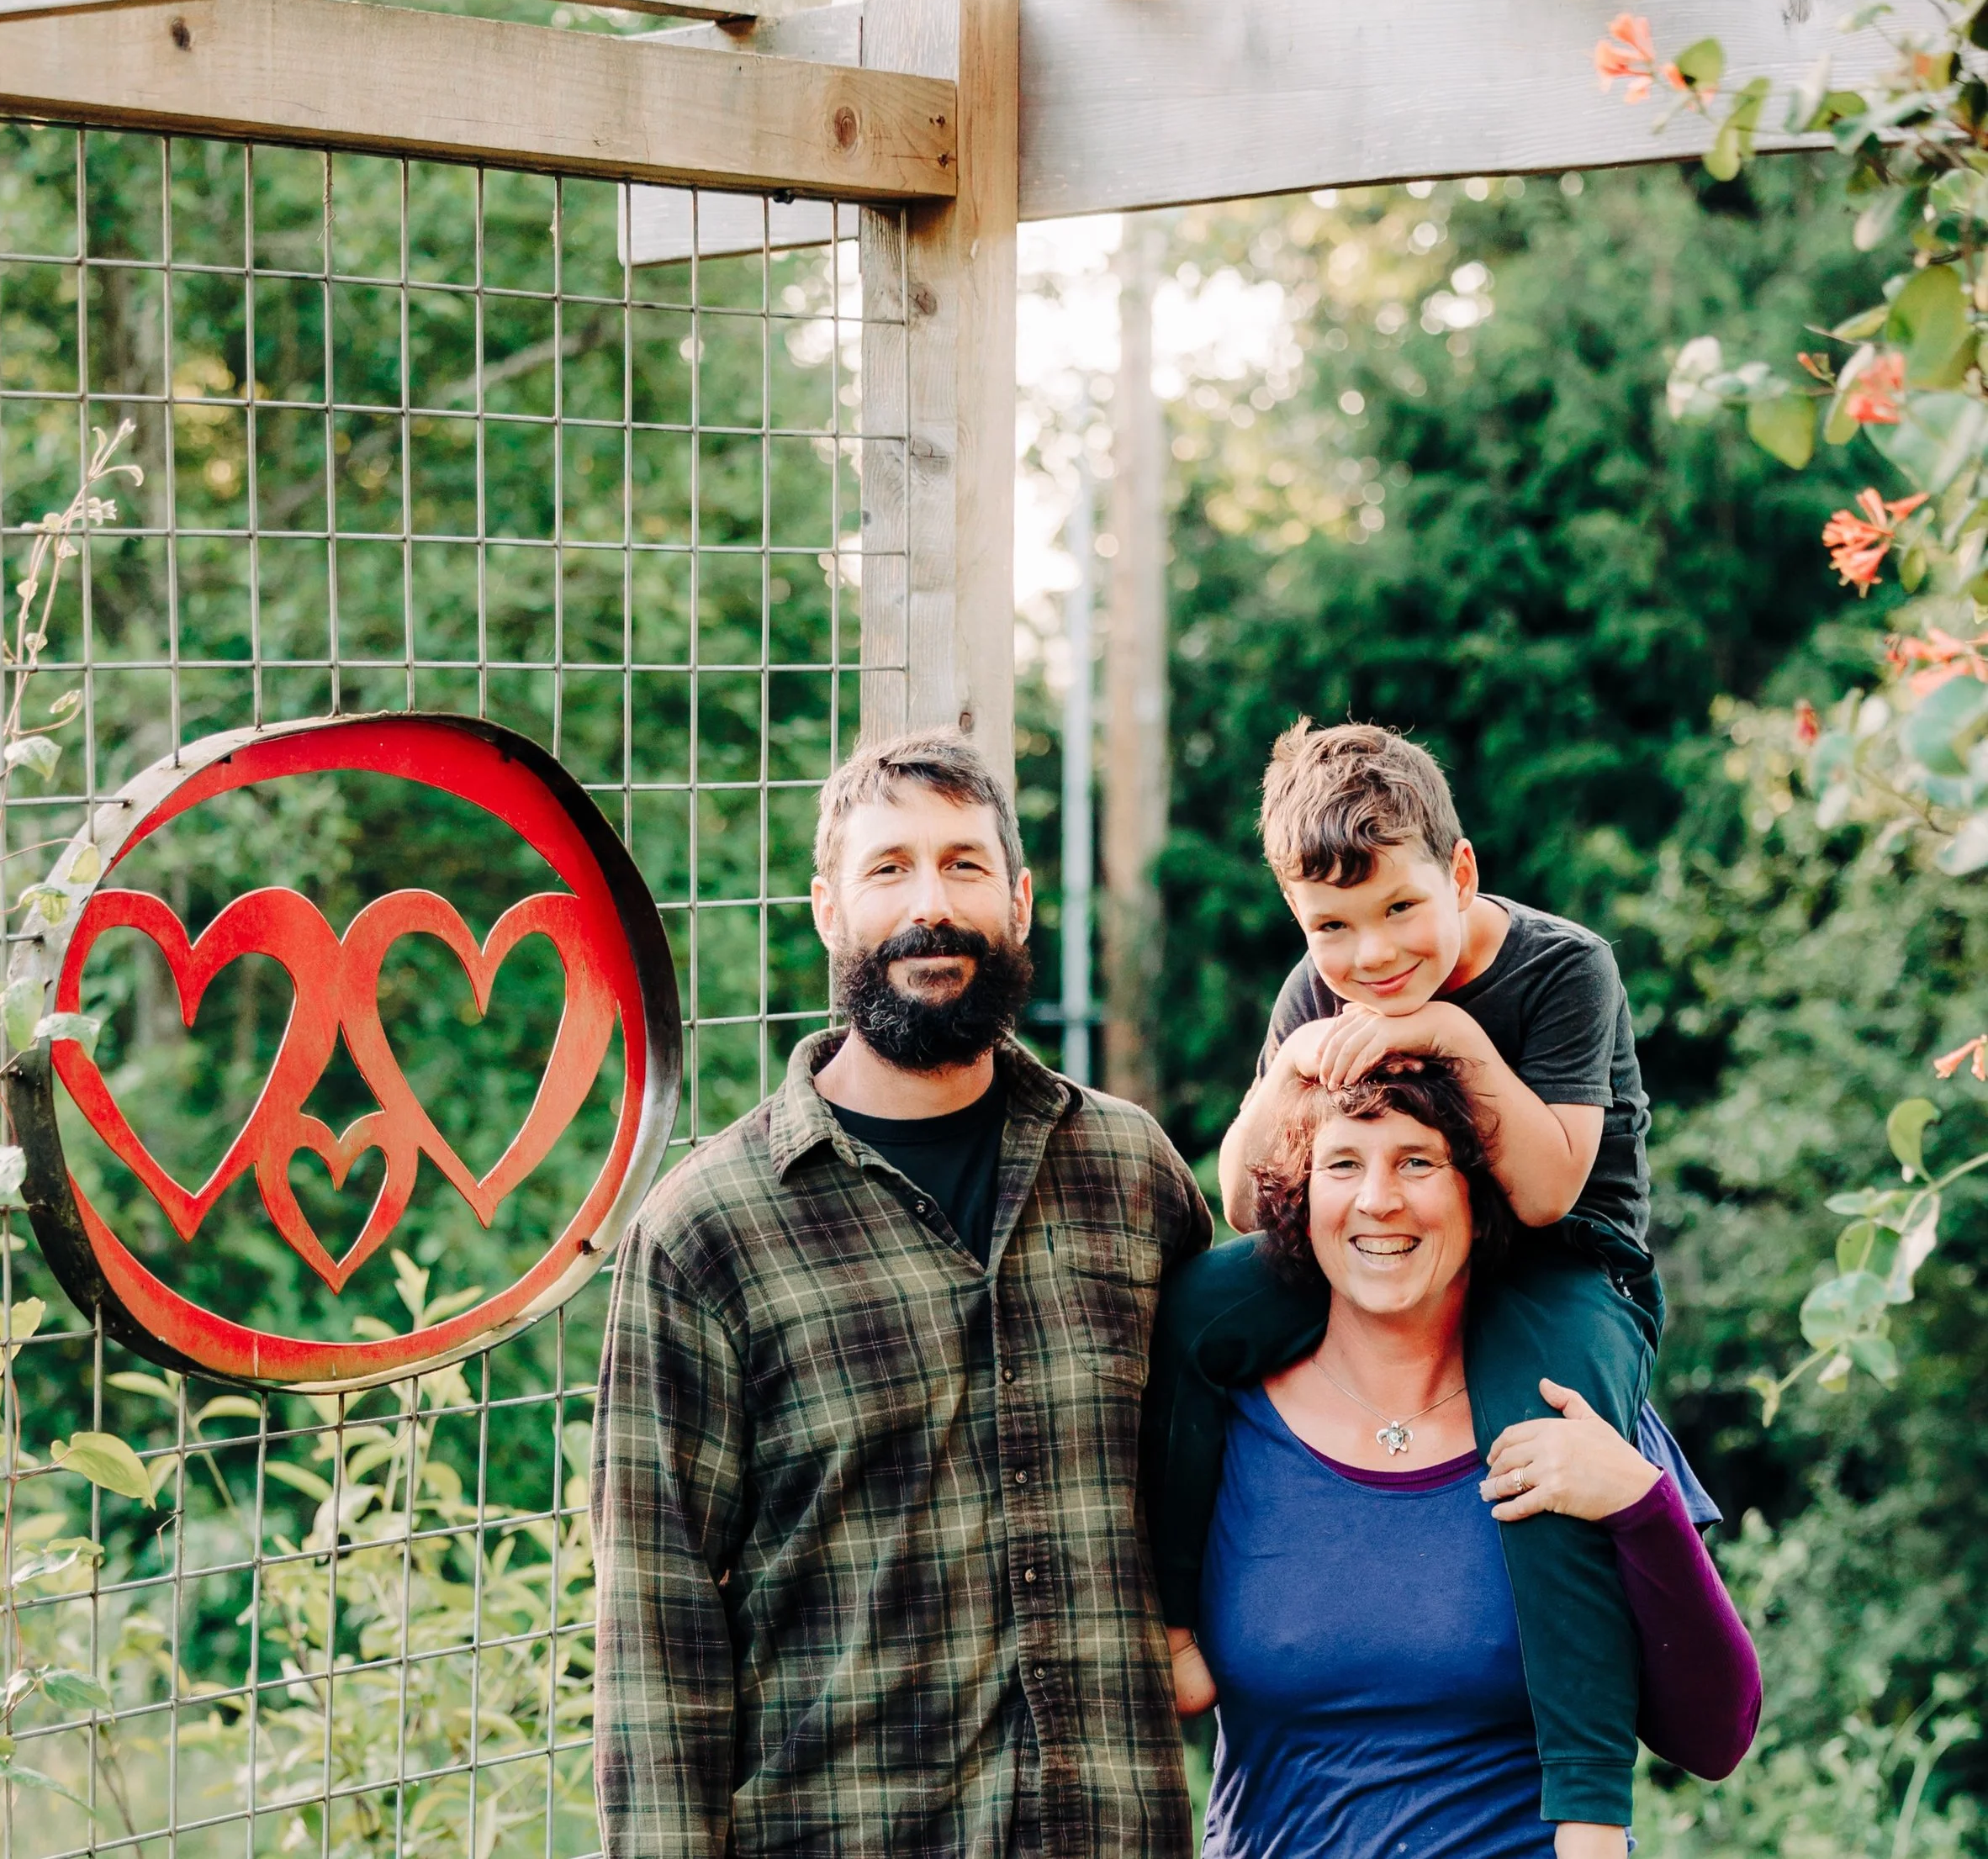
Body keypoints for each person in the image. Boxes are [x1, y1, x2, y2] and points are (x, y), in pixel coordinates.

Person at [591, 729, 1214, 1859]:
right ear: (829, 909)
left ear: (1020, 902)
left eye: (966, 865)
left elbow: (1237, 1458)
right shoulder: (707, 1231)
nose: (933, 904)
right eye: (890, 869)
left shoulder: (1132, 1177)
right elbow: (655, 1628)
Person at [1147, 719, 1666, 1831]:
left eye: (1398, 910)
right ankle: (1179, 1623)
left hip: (1564, 1268)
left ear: (1461, 871)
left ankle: (1587, 1800)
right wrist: (1286, 1074)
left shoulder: (1562, 968)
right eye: (1331, 927)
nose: (1372, 956)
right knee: (1198, 1306)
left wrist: (1451, 1039)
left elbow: (1546, 1191)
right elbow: (1243, 1201)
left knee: (1539, 1431)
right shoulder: (1313, 993)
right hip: (1392, 1242)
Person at [1198, 1054, 1759, 1859]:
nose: (1378, 1199)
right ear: (1301, 1199)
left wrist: (1642, 1504)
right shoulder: (1226, 1419)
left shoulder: (1571, 1409)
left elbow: (1717, 1737)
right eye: (1343, 1164)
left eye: (1418, 1162)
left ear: (1477, 1193)